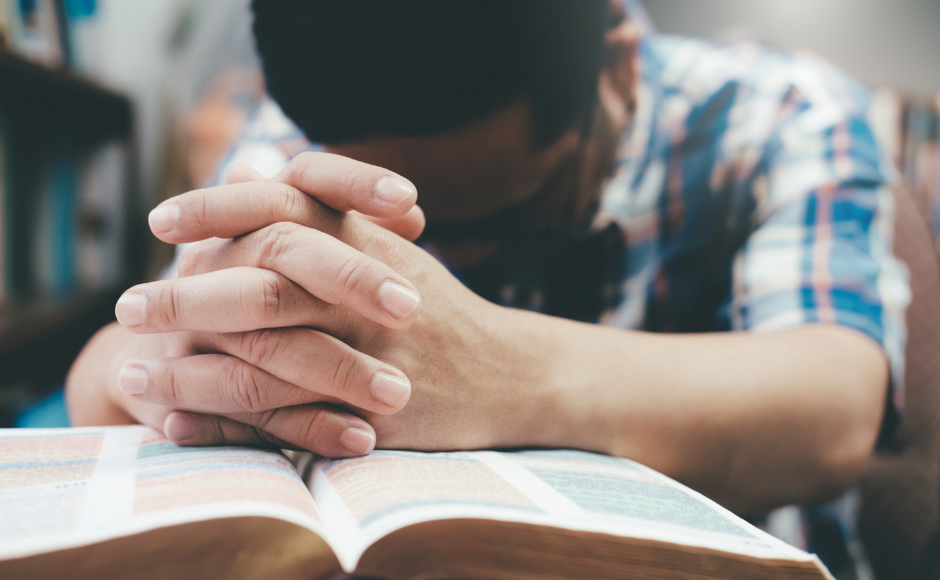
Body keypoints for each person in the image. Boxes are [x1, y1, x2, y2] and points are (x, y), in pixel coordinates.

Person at [66, 0, 909, 576]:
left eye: (509, 214)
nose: (436, 255)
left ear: (616, 69)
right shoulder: (305, 129)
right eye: (395, 216)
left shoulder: (784, 115)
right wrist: (156, 360)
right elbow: (117, 365)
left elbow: (835, 409)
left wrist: (494, 367)